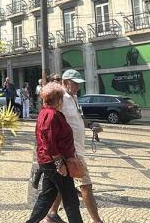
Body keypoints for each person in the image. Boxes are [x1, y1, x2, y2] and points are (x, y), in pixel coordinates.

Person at [45, 69, 103, 223]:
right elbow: (50, 120)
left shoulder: (73, 97)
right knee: (86, 185)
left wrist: (91, 124)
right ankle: (97, 221)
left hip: (77, 149)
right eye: (75, 83)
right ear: (65, 83)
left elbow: (79, 118)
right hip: (71, 151)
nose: (77, 86)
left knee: (64, 184)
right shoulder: (61, 99)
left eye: (79, 84)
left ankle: (51, 213)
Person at [27, 82, 83, 223]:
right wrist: (60, 164)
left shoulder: (50, 113)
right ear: (57, 99)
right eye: (61, 98)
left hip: (51, 162)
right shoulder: (50, 115)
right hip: (54, 163)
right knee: (71, 199)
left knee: (46, 198)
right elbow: (49, 144)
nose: (63, 101)